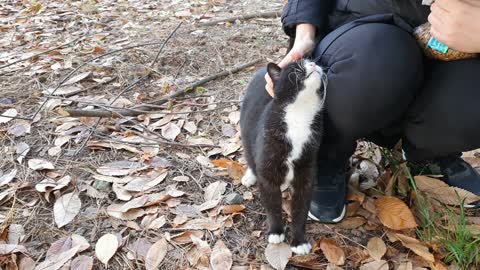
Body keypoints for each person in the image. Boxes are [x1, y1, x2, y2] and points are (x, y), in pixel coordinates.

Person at [247, 0, 480, 223]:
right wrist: (304, 35)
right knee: (380, 58)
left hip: (460, 46)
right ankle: (328, 153)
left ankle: (429, 151)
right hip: (365, 29)